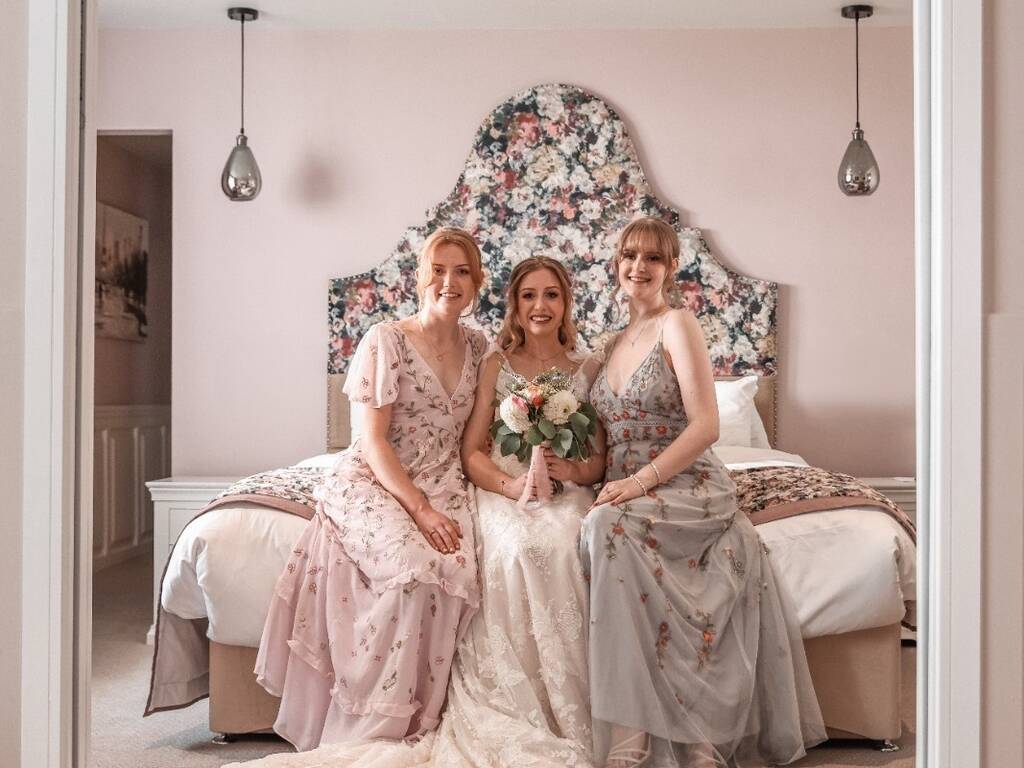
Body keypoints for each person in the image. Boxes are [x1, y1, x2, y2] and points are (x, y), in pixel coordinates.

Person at [229, 256, 607, 768]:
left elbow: (597, 456)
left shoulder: (499, 351)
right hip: (421, 476)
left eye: (552, 295)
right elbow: (420, 444)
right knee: (444, 560)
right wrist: (499, 487)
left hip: (478, 478)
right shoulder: (414, 344)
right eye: (528, 295)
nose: (540, 306)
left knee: (527, 550)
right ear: (513, 306)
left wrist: (572, 472)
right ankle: (380, 717)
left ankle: (565, 701)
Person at [581, 218, 826, 767]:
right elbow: (595, 438)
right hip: (622, 483)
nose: (638, 267)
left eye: (653, 258)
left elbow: (706, 425)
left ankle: (644, 731)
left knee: (605, 527)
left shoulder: (678, 324)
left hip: (684, 482)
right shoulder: (607, 344)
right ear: (616, 264)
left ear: (671, 268)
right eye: (629, 255)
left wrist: (639, 482)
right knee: (598, 526)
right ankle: (634, 727)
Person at [253, 227, 490, 752]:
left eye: (463, 271)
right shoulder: (385, 339)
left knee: (457, 569)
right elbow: (373, 441)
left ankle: (422, 716)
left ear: (477, 282)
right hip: (379, 475)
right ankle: (372, 723)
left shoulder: (478, 346)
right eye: (439, 270)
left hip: (444, 475)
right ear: (422, 277)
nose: (450, 282)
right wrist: (420, 510)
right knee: (410, 567)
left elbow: (477, 437)